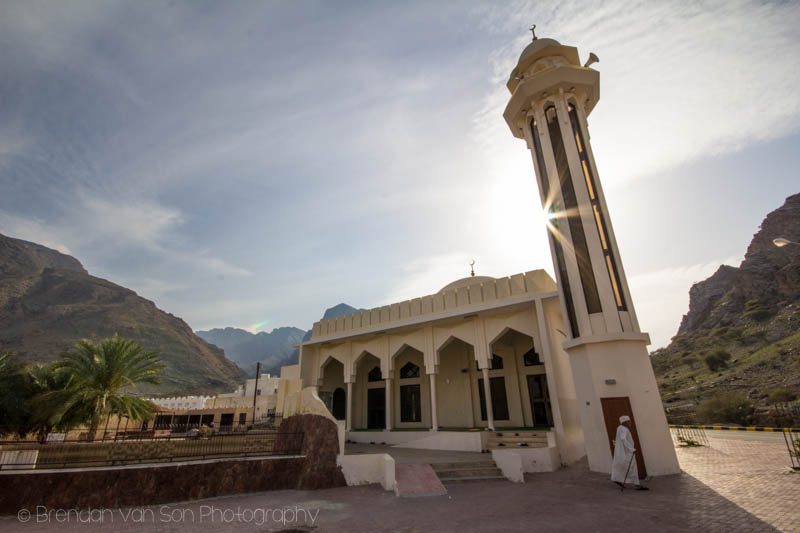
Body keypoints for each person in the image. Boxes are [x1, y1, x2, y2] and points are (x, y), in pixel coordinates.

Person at [611, 415, 649, 491]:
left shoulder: (619, 428)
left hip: (623, 452)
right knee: (632, 467)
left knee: (621, 466)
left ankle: (617, 479)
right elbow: (623, 439)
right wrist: (631, 449)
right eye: (628, 421)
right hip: (627, 452)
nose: (630, 423)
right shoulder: (624, 429)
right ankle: (637, 485)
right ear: (624, 422)